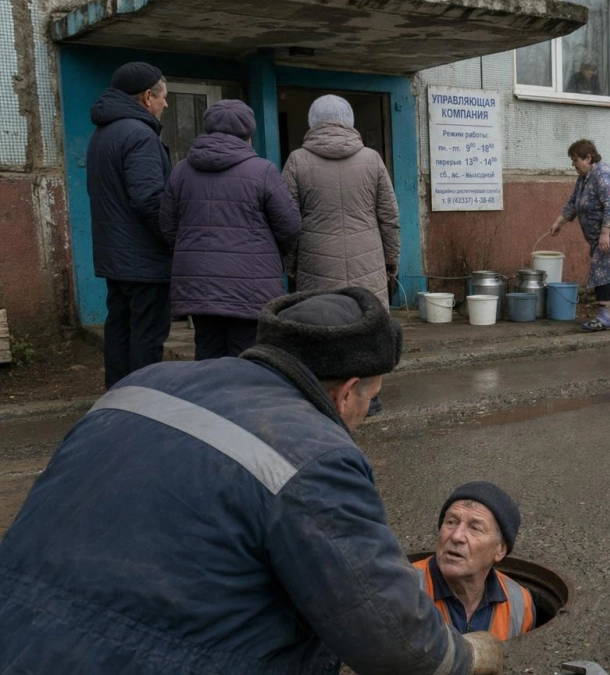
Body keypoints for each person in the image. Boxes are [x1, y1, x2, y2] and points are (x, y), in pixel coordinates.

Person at [0, 287, 504, 675]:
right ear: (348, 391)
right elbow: (393, 640)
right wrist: (465, 656)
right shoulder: (315, 455)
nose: (364, 413)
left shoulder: (141, 384)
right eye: (371, 398)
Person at [284, 94, 398, 415]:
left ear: (312, 122)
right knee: (366, 325)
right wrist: (390, 261)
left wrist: (290, 263)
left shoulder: (297, 161)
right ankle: (368, 399)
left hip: (315, 260)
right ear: (350, 122)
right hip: (368, 260)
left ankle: (323, 398)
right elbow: (389, 217)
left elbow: (288, 222)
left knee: (321, 328)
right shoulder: (371, 159)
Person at [160, 100, 301, 359]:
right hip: (250, 284)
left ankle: (208, 401)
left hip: (197, 283)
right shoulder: (263, 171)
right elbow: (290, 226)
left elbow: (168, 227)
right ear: (249, 135)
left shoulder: (181, 170)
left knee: (207, 354)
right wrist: (269, 253)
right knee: (246, 357)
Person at [87, 61, 173, 389]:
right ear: (147, 96)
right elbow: (149, 199)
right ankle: (143, 403)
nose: (165, 104)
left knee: (119, 331)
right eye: (163, 97)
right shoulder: (140, 134)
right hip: (144, 258)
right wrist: (172, 239)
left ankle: (116, 400)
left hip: (115, 256)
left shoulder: (103, 133)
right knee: (147, 336)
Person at [413, 481, 535, 640]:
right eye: (451, 522)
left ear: (500, 549)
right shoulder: (402, 587)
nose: (456, 536)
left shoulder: (519, 602)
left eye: (474, 528)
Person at [550, 139, 610, 332]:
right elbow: (573, 203)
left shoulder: (603, 174)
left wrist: (605, 234)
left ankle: (604, 317)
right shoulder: (585, 178)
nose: (572, 164)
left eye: (575, 159)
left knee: (602, 267)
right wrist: (559, 222)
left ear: (588, 157)